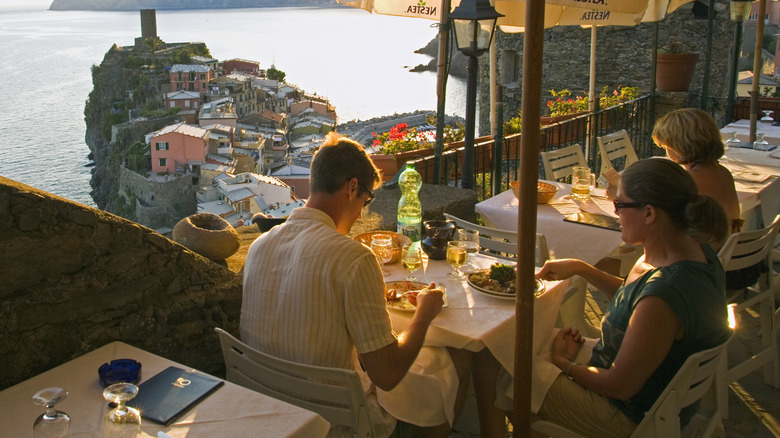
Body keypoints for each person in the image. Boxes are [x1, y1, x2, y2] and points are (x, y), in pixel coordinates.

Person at [240, 132, 465, 438]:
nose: (362, 212)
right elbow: (387, 374)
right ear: (352, 188)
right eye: (366, 200)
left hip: (271, 413)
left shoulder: (259, 246)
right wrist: (425, 311)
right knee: (443, 371)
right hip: (333, 423)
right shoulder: (354, 259)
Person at [534, 158, 731, 437]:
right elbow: (636, 301)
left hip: (630, 415)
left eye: (620, 205)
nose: (615, 213)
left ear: (649, 213)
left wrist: (565, 364)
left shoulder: (665, 293)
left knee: (512, 370)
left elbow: (618, 385)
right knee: (529, 345)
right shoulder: (695, 252)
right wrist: (581, 268)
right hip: (656, 396)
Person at [652, 107, 742, 245]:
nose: (667, 153)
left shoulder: (690, 180)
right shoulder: (723, 172)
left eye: (666, 147)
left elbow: (655, 217)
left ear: (683, 145)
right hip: (727, 253)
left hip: (704, 260)